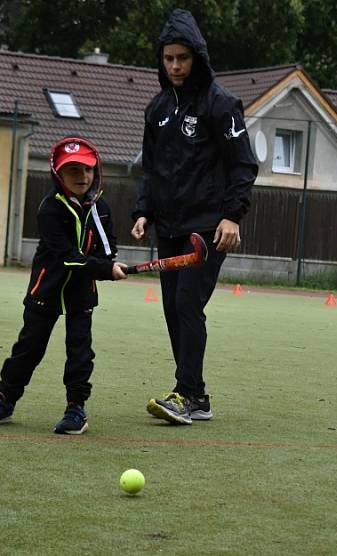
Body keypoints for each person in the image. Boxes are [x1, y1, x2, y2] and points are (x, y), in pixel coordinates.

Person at [131, 9, 258, 425]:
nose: (174, 67)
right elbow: (151, 167)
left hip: (208, 227)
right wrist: (143, 211)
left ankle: (186, 394)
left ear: (196, 57)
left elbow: (243, 164)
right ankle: (195, 396)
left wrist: (233, 216)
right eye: (168, 59)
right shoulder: (156, 108)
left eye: (182, 59)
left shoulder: (221, 105)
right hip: (168, 225)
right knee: (172, 307)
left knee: (188, 301)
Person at [0, 137, 127, 434]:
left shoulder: (102, 208)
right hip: (46, 289)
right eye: (73, 171)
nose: (82, 177)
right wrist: (105, 269)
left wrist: (109, 264)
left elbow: (107, 250)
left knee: (80, 351)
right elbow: (67, 257)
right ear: (58, 174)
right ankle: (4, 401)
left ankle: (76, 409)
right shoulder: (49, 208)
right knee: (28, 348)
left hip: (81, 293)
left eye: (87, 169)